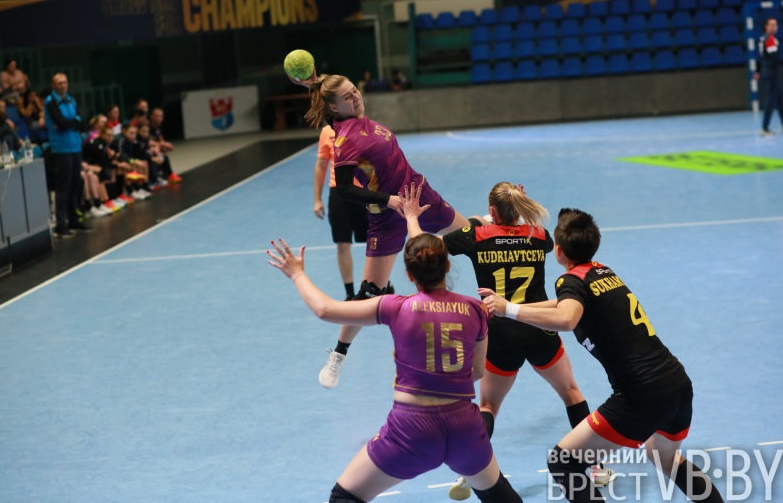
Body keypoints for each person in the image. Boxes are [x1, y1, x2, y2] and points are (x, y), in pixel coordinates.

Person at [479, 208, 725, 503]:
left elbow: (567, 318)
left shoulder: (569, 281)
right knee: (666, 459)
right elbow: (564, 304)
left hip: (640, 394)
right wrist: (509, 308)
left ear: (558, 251)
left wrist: (509, 309)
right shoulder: (602, 271)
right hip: (676, 382)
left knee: (563, 462)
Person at [267, 234, 523, 503]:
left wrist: (296, 273)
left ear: (409, 275)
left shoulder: (396, 307)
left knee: (344, 497)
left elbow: (325, 310)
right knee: (499, 496)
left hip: (412, 429)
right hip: (464, 427)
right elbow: (478, 371)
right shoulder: (475, 309)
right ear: (447, 266)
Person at [403, 182, 614, 500]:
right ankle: (595, 467)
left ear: (491, 211)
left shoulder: (474, 236)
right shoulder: (539, 236)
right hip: (539, 327)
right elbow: (529, 230)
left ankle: (468, 471)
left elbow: (424, 249)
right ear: (519, 208)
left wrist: (411, 216)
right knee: (571, 393)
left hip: (499, 333)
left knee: (488, 406)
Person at [292, 70, 471, 389]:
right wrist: (388, 200)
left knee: (472, 237)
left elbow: (331, 88)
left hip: (419, 195)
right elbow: (345, 188)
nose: (356, 97)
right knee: (370, 292)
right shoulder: (343, 140)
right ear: (335, 108)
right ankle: (339, 353)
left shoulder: (356, 115)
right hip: (387, 215)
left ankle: (504, 309)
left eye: (355, 90)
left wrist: (314, 82)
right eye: (347, 97)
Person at [314, 123, 392, 300]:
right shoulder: (326, 132)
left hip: (364, 192)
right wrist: (317, 199)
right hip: (338, 193)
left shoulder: (365, 128)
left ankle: (382, 283)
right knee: (342, 243)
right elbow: (321, 165)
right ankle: (349, 293)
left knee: (374, 241)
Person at [44, 72, 89, 238]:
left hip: (75, 146)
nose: (63, 85)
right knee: (63, 187)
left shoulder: (71, 100)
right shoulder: (50, 102)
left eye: (65, 82)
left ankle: (73, 219)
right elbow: (60, 123)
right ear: (53, 85)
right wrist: (74, 121)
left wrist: (74, 122)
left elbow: (82, 122)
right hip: (61, 149)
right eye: (59, 83)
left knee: (76, 184)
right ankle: (61, 225)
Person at [757, 18, 783, 136]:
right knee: (770, 100)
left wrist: (758, 71)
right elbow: (774, 58)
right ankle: (765, 128)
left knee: (779, 99)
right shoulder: (769, 39)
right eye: (772, 25)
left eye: (776, 25)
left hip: (770, 72)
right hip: (771, 73)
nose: (774, 27)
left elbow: (761, 57)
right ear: (766, 27)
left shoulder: (764, 38)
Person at [148, 107, 182, 183]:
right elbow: (146, 141)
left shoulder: (158, 126)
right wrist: (161, 144)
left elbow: (161, 139)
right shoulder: (148, 127)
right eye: (157, 116)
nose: (159, 118)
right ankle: (157, 177)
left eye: (161, 116)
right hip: (149, 148)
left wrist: (166, 145)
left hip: (156, 147)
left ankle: (168, 174)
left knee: (163, 153)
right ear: (151, 116)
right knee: (157, 154)